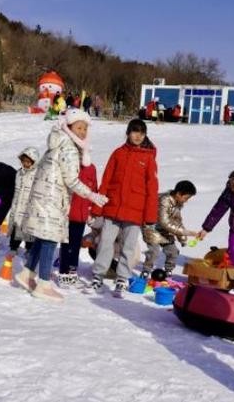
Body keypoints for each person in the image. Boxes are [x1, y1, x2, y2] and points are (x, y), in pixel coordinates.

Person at [19, 109, 108, 300]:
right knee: (50, 239)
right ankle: (43, 284)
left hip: (44, 197)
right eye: (78, 127)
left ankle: (27, 273)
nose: (82, 132)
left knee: (42, 237)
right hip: (53, 199)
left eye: (85, 128)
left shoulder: (57, 142)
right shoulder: (69, 147)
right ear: (69, 127)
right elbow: (71, 180)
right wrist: (91, 195)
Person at [88, 118, 157, 296]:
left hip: (135, 212)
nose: (138, 136)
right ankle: (98, 276)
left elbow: (152, 188)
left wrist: (150, 216)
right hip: (112, 209)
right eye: (134, 131)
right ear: (127, 133)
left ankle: (122, 279)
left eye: (141, 133)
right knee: (105, 242)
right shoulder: (118, 153)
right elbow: (106, 180)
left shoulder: (148, 158)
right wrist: (97, 207)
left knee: (128, 246)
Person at [56, 156, 97, 289]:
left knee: (76, 243)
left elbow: (94, 189)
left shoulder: (91, 168)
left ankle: (72, 271)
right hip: (67, 212)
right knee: (66, 242)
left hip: (81, 214)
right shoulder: (69, 164)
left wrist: (91, 210)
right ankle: (63, 272)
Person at [142, 180, 196, 277]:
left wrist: (182, 238)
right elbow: (164, 222)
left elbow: (177, 221)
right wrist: (187, 232)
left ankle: (168, 270)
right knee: (154, 251)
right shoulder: (164, 200)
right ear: (178, 194)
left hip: (165, 231)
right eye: (186, 198)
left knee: (173, 251)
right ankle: (146, 271)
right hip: (151, 228)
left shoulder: (177, 204)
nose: (186, 201)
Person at [5, 147, 40, 256]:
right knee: (16, 227)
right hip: (18, 205)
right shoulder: (19, 173)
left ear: (34, 162)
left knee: (29, 229)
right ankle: (14, 247)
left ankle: (29, 248)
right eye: (24, 161)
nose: (26, 164)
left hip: (30, 207)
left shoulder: (37, 174)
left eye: (28, 162)